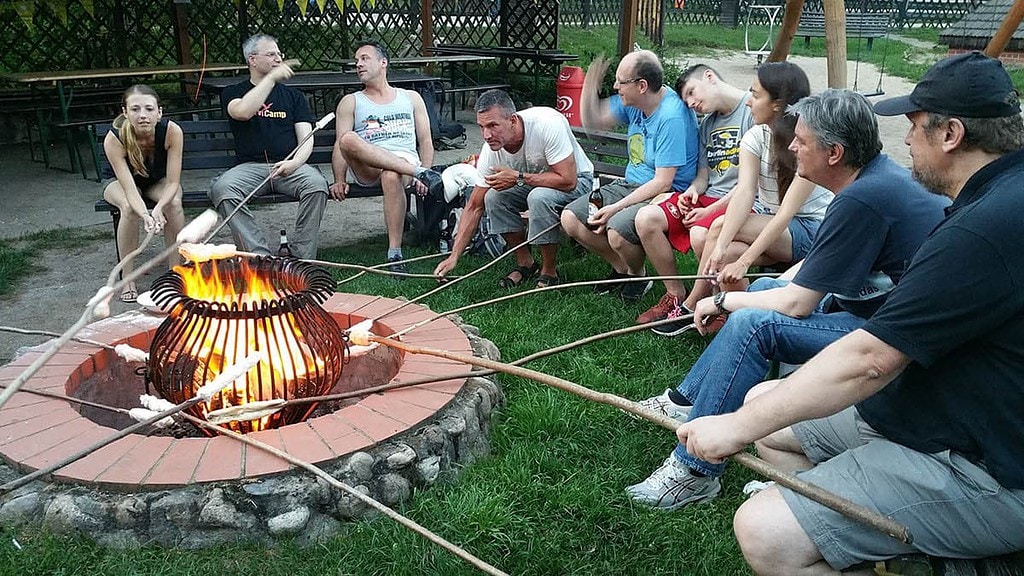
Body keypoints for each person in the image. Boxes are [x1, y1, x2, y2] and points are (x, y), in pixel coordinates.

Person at [678, 52, 1024, 575]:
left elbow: (871, 359)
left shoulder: (982, 227)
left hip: (989, 461)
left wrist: (732, 429)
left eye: (913, 126)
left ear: (951, 133)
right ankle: (874, 534)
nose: (905, 140)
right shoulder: (997, 197)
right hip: (939, 407)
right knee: (766, 405)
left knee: (763, 531)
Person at [624, 88, 948, 512]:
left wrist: (720, 303)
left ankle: (694, 472)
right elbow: (817, 266)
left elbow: (796, 305)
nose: (792, 146)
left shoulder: (863, 199)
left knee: (751, 323)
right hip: (876, 312)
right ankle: (688, 403)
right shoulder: (873, 181)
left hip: (888, 339)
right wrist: (750, 294)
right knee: (760, 291)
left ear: (833, 153)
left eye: (802, 141)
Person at [652, 61, 833, 337]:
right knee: (726, 250)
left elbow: (786, 214)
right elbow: (745, 193)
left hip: (809, 229)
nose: (748, 101)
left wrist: (745, 261)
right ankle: (739, 324)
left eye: (756, 95)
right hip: (774, 225)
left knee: (720, 233)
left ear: (777, 104)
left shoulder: (807, 143)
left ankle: (692, 305)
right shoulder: (756, 136)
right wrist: (724, 251)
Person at [560, 50, 699, 302]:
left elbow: (663, 182)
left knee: (616, 231)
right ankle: (623, 270)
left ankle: (638, 275)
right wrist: (590, 83)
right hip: (630, 185)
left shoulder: (671, 116)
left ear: (641, 85)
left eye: (620, 82)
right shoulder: (636, 103)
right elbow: (592, 120)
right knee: (571, 219)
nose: (615, 86)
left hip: (665, 194)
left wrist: (615, 208)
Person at [432, 90, 593, 288]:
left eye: (493, 126)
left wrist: (519, 177)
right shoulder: (491, 150)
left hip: (579, 181)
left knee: (539, 197)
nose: (486, 135)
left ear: (513, 120)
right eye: (482, 127)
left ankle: (549, 271)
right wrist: (453, 256)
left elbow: (568, 181)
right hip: (536, 184)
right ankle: (526, 263)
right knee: (493, 198)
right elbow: (474, 205)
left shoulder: (547, 124)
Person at [634, 64, 753, 324]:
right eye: (685, 99)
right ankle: (675, 293)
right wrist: (691, 193)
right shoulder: (708, 123)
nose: (690, 103)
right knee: (647, 218)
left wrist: (707, 211)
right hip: (710, 197)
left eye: (691, 92)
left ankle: (706, 303)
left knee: (700, 233)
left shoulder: (751, 110)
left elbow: (749, 187)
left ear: (710, 76)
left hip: (741, 201)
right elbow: (703, 176)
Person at [208, 33, 329, 260]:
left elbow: (306, 137)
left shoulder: (293, 96)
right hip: (249, 167)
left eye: (279, 54)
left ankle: (301, 258)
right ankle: (259, 258)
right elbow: (242, 112)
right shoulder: (232, 92)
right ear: (252, 60)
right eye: (271, 54)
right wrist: (270, 79)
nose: (278, 59)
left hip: (289, 166)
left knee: (317, 185)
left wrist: (295, 163)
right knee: (223, 189)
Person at [331, 40, 442, 272]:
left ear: (383, 63)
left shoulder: (410, 97)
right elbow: (340, 147)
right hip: (368, 165)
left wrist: (424, 168)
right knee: (348, 139)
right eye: (356, 61)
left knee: (391, 174)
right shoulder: (351, 101)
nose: (358, 64)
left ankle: (395, 254)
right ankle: (420, 172)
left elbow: (425, 140)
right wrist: (339, 179)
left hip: (405, 163)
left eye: (364, 58)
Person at [101, 84, 185, 303]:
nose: (143, 115)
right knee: (129, 209)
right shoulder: (114, 138)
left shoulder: (172, 131)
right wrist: (146, 216)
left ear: (159, 112)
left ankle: (176, 271)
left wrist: (158, 209)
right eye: (135, 109)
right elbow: (130, 190)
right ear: (125, 112)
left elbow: (174, 181)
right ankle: (127, 277)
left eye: (149, 109)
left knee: (174, 203)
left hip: (157, 181)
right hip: (119, 183)